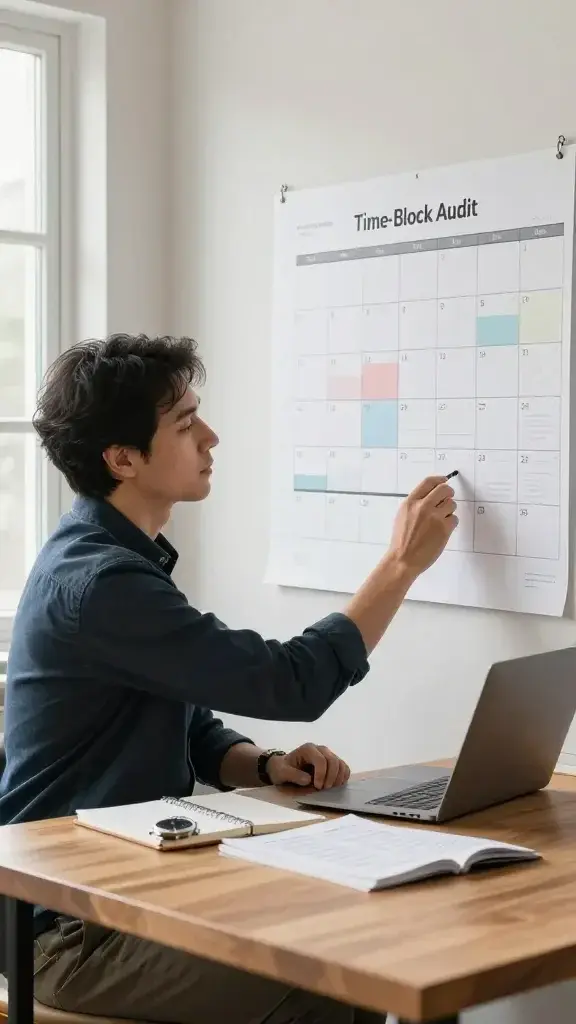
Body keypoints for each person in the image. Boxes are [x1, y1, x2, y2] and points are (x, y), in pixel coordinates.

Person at [0, 334, 457, 1024]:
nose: (210, 437)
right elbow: (290, 683)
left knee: (347, 937)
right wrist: (399, 566)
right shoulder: (102, 583)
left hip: (132, 889)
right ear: (123, 459)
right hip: (67, 929)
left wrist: (264, 764)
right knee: (343, 975)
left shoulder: (116, 560)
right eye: (185, 423)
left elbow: (184, 722)